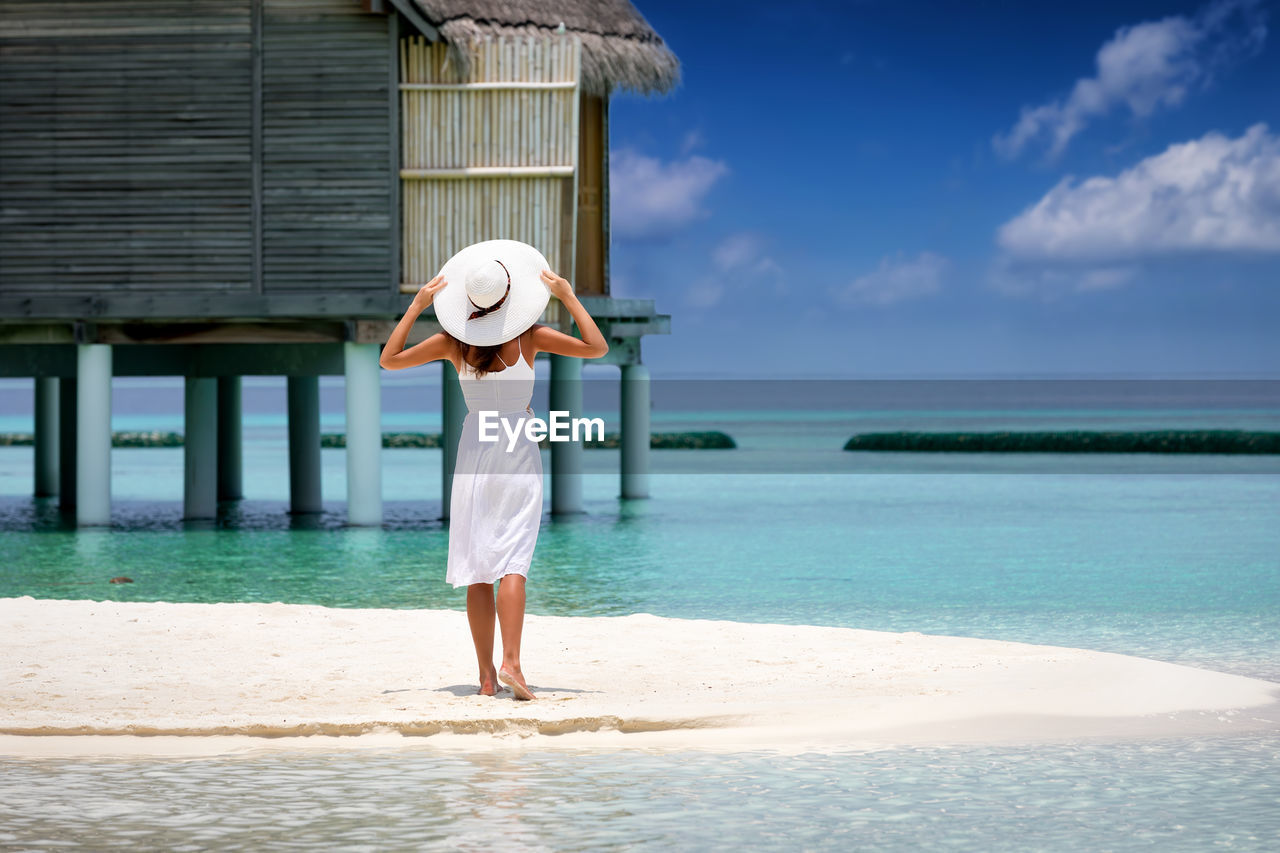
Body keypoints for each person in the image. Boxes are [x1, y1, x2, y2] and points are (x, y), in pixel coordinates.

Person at [379, 239, 608, 700]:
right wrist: (567, 295)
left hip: (475, 450)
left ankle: (486, 678)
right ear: (511, 296)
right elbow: (596, 347)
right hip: (518, 447)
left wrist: (417, 306)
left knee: (478, 564)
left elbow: (388, 360)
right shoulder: (531, 337)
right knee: (513, 562)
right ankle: (512, 664)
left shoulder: (451, 342)